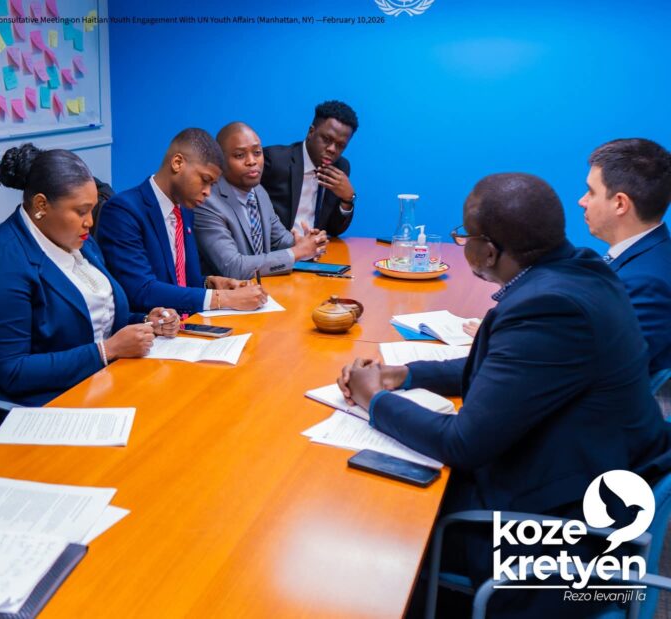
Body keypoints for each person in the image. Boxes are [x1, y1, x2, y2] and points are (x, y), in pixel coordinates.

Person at [337, 173, 671, 616]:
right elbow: (510, 368)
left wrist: (375, 401)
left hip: (557, 534)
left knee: (372, 518)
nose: (462, 244)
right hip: (588, 478)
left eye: (465, 236)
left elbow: (462, 442)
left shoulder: (549, 307)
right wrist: (407, 374)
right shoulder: (579, 270)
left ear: (489, 251)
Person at [0, 147, 180, 406]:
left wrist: (145, 322)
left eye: (91, 210)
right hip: (48, 402)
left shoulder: (74, 238)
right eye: (81, 211)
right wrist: (106, 351)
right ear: (41, 205)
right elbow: (13, 372)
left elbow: (96, 320)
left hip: (104, 379)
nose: (90, 222)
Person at [96, 128, 268, 314]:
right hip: (152, 327)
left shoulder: (185, 210)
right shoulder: (124, 211)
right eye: (205, 180)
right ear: (177, 163)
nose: (207, 192)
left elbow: (181, 281)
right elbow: (141, 290)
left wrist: (209, 283)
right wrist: (223, 299)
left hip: (189, 322)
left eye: (212, 185)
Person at [579, 138, 671, 376]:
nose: (582, 201)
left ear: (620, 203)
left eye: (591, 192)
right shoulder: (643, 259)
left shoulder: (647, 282)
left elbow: (606, 367)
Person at [194, 122, 329, 279]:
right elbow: (233, 267)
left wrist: (305, 242)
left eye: (257, 152)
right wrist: (298, 252)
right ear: (220, 161)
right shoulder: (207, 201)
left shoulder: (258, 191)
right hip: (229, 292)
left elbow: (279, 239)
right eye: (239, 155)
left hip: (263, 288)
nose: (252, 161)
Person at [261, 100, 359, 236]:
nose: (332, 149)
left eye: (340, 145)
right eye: (326, 139)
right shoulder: (274, 161)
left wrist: (347, 199)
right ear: (311, 132)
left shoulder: (340, 168)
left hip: (316, 248)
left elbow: (334, 230)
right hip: (280, 247)